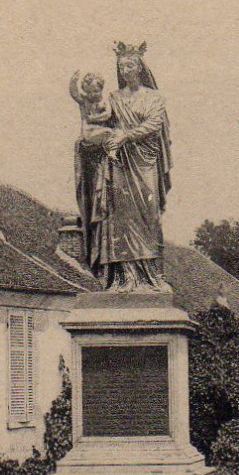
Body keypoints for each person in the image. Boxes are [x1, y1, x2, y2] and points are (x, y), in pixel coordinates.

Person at [74, 42, 173, 292]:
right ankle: (123, 277)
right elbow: (95, 121)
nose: (126, 70)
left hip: (145, 162)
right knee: (119, 217)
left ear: (140, 67)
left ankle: (151, 277)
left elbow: (154, 124)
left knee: (149, 215)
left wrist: (125, 136)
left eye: (130, 65)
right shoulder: (114, 99)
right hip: (119, 163)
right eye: (122, 66)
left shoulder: (155, 97)